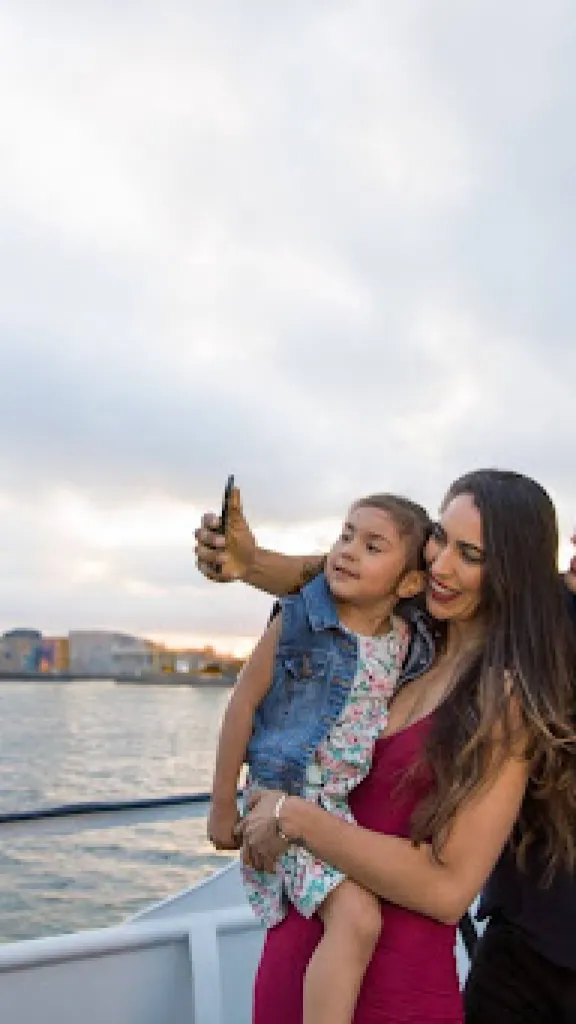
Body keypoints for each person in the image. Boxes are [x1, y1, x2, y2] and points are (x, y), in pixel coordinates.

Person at [195, 473, 576, 1024]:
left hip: (392, 986)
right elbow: (346, 572)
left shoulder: (505, 696)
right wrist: (249, 562)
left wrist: (295, 817)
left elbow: (448, 889)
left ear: (509, 574)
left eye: (469, 555)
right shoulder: (400, 641)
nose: (442, 566)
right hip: (293, 959)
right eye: (439, 539)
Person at [208, 493, 429, 1024]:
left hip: (334, 808)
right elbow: (242, 704)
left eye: (372, 546)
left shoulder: (408, 640)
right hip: (281, 797)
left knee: (363, 918)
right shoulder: (298, 620)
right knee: (358, 920)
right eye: (345, 535)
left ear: (409, 585)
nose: (348, 551)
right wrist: (222, 808)